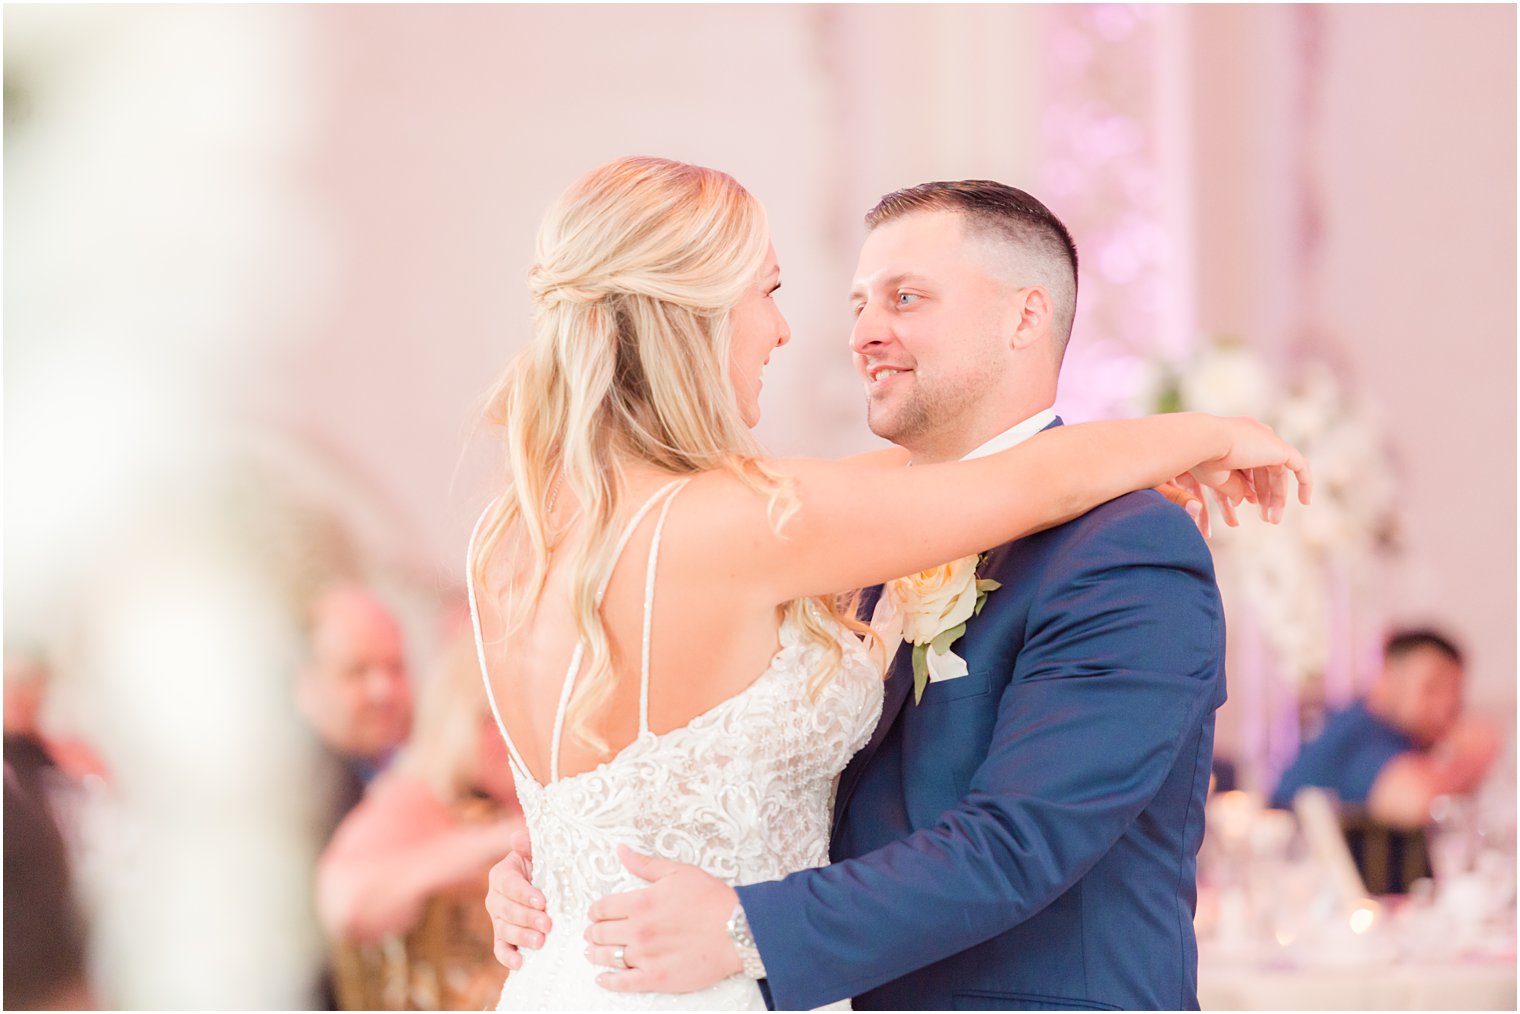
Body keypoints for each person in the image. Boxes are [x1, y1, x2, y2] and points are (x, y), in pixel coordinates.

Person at [472, 159, 1310, 1010]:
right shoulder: (793, 526)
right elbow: (1019, 487)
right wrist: (1208, 432)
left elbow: (1021, 843)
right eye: (854, 303)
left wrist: (583, 866)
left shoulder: (1124, 545)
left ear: (1028, 316)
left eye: (905, 298)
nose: (853, 332)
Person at [1271, 629, 1498, 828]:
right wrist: (1476, 757)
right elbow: (1416, 803)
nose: (1446, 706)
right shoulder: (1363, 732)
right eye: (1432, 688)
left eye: (1454, 693)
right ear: (1387, 679)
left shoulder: (1396, 737)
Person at [297, 584, 415, 844]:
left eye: (395, 667)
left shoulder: (415, 753)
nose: (383, 690)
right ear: (308, 686)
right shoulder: (299, 797)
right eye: (356, 671)